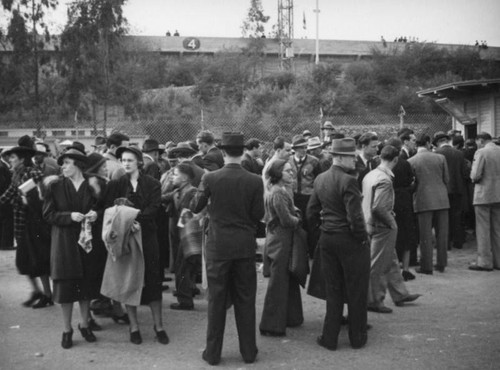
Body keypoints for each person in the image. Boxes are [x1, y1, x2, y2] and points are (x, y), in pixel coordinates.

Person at [191, 132, 264, 366]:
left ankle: (212, 353)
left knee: (216, 300)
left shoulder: (211, 178)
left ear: (223, 152)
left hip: (218, 246)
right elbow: (258, 214)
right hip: (243, 245)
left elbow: (196, 206)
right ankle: (249, 351)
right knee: (245, 298)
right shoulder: (255, 180)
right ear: (243, 151)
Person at [307, 137, 370, 351]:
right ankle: (357, 337)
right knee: (356, 288)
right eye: (351, 157)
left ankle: (329, 338)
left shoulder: (320, 179)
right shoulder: (348, 181)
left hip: (328, 238)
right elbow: (355, 217)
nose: (354, 161)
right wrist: (361, 237)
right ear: (341, 158)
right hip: (349, 240)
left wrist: (322, 232)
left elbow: (311, 212)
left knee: (333, 289)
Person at [103, 146, 168, 345]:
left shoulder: (153, 184)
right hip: (126, 238)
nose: (126, 163)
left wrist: (132, 218)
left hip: (147, 237)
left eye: (130, 160)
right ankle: (134, 327)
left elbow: (154, 208)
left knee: (153, 281)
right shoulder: (117, 184)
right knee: (129, 281)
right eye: (123, 160)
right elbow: (111, 209)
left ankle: (159, 326)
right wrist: (125, 222)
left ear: (139, 162)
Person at [43, 148, 101, 349]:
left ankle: (85, 324)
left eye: (67, 163)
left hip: (86, 242)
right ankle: (67, 329)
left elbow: (102, 207)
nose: (63, 167)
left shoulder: (93, 185)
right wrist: (69, 216)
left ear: (78, 164)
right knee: (66, 287)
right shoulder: (55, 186)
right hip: (65, 243)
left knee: (86, 285)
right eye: (62, 163)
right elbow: (48, 215)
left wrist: (96, 215)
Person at [362, 145, 421, 314]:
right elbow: (379, 207)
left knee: (392, 260)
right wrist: (392, 223)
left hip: (371, 224)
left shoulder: (370, 175)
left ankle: (400, 293)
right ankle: (374, 300)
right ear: (395, 159)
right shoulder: (385, 179)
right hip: (382, 226)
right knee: (379, 264)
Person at [1, 136, 52, 308]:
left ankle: (47, 294)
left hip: (34, 224)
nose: (10, 160)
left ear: (22, 159)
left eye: (13, 158)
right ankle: (38, 291)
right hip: (22, 224)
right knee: (25, 261)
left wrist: (25, 200)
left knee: (38, 261)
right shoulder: (16, 174)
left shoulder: (33, 173)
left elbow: (39, 199)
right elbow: (7, 195)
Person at [259, 159, 303, 336]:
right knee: (279, 282)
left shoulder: (278, 191)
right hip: (281, 240)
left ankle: (291, 317)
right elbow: (286, 220)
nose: (291, 173)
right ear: (278, 174)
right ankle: (271, 325)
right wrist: (298, 218)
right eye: (287, 171)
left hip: (279, 238)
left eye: (291, 171)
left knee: (287, 279)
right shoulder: (278, 193)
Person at [408, 133, 449, 275]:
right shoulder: (440, 158)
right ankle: (442, 263)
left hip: (423, 200)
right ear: (428, 143)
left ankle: (427, 266)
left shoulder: (411, 161)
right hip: (442, 200)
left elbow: (411, 184)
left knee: (425, 235)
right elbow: (446, 179)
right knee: (442, 234)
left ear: (416, 144)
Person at [163, 163, 200, 310]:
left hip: (188, 236)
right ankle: (186, 291)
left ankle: (185, 300)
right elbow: (162, 197)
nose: (172, 177)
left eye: (175, 174)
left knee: (183, 266)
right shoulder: (178, 191)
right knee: (183, 266)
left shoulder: (192, 192)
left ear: (185, 178)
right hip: (182, 234)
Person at [386, 138, 417, 281]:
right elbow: (413, 181)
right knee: (407, 234)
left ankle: (393, 268)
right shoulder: (405, 163)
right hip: (405, 200)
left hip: (390, 200)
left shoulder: (383, 165)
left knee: (392, 234)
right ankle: (405, 269)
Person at [468, 132, 500, 271]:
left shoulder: (481, 152)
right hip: (498, 195)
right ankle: (499, 261)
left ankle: (485, 262)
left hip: (483, 196)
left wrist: (472, 177)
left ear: (480, 140)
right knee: (497, 229)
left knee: (483, 229)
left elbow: (475, 175)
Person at [434, 132, 468, 250]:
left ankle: (445, 243)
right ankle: (458, 242)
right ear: (447, 140)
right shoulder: (459, 153)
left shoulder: (436, 153)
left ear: (438, 142)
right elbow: (464, 172)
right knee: (457, 216)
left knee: (443, 217)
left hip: (443, 189)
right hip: (457, 189)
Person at [289, 136, 321, 257]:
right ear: (295, 149)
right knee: (297, 224)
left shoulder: (314, 161)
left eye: (305, 147)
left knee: (310, 223)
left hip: (309, 197)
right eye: (300, 148)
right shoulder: (288, 161)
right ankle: (299, 253)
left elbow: (319, 179)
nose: (303, 150)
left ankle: (312, 251)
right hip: (294, 196)